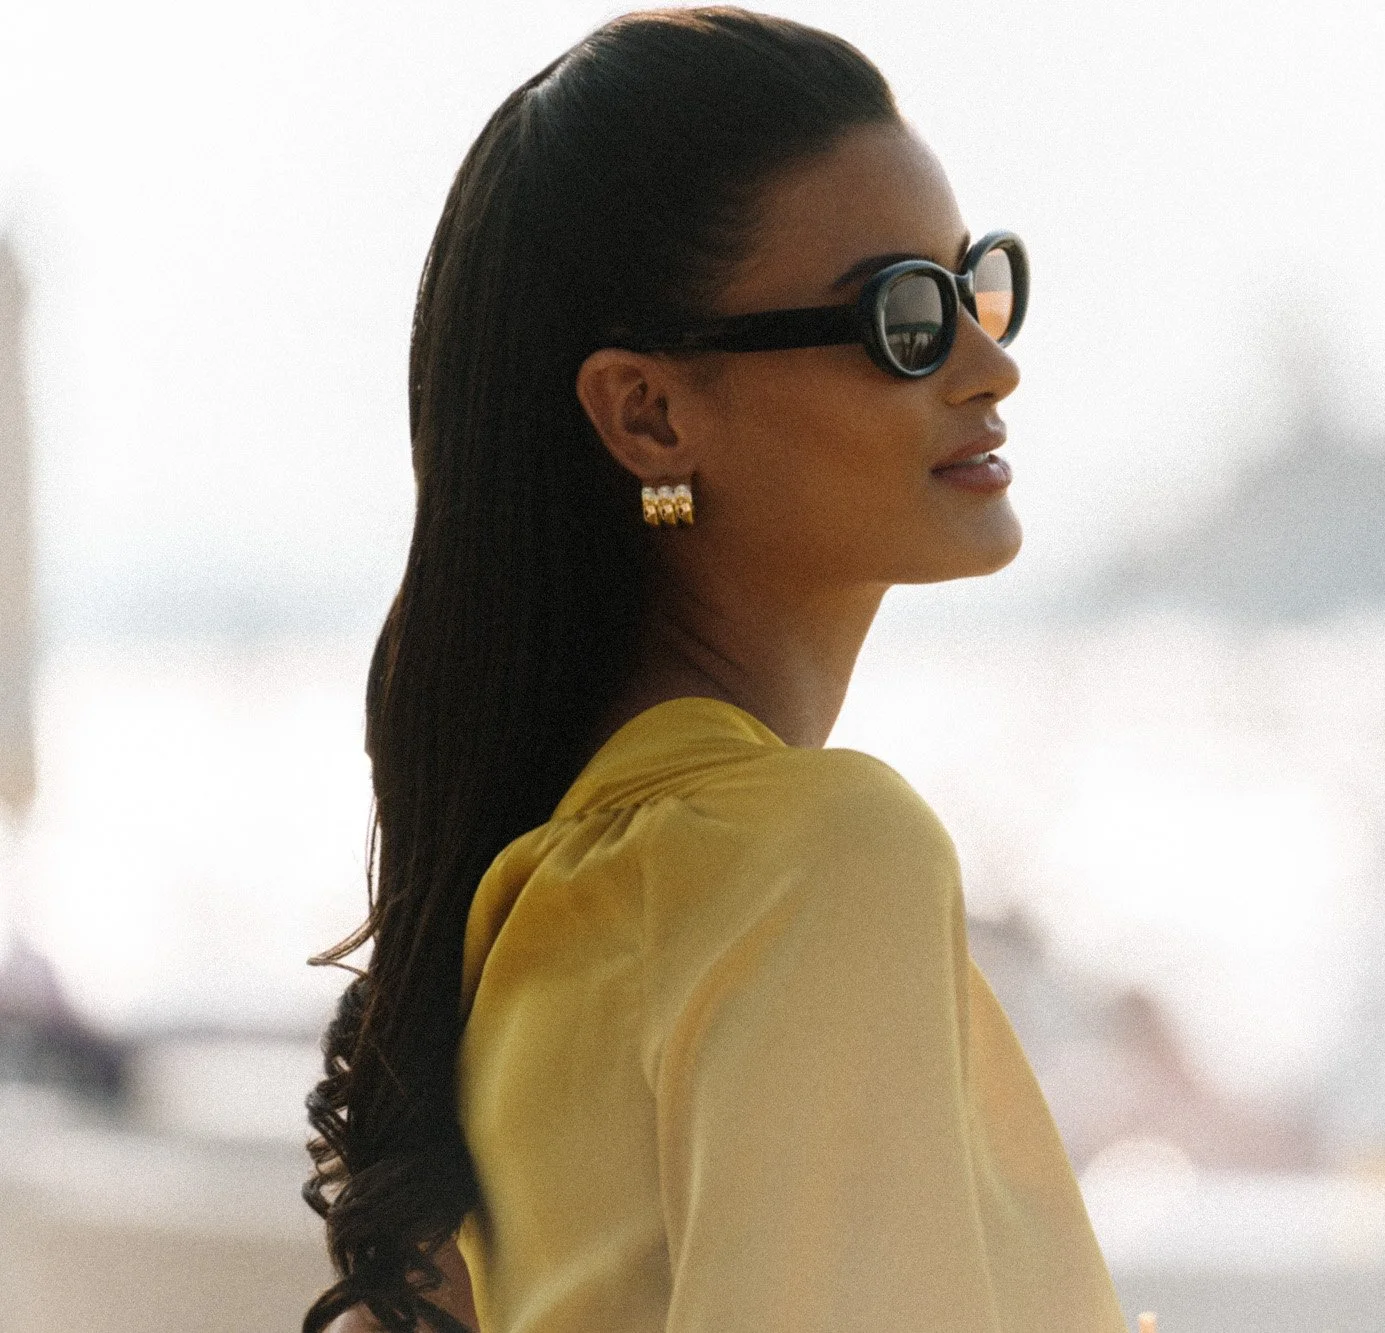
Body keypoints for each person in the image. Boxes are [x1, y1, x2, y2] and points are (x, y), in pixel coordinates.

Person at [302, 8, 1128, 1332]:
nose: (990, 361)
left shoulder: (551, 899)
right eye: (900, 318)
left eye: (974, 284)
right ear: (650, 413)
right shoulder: (816, 857)